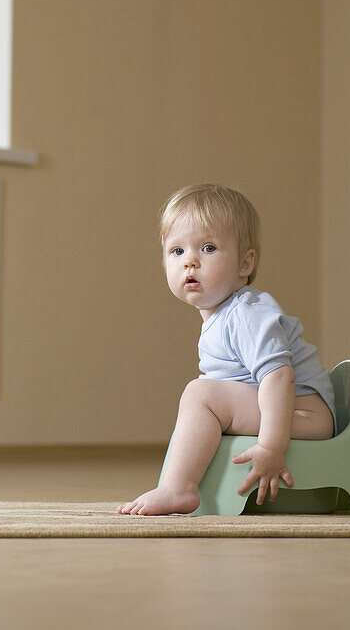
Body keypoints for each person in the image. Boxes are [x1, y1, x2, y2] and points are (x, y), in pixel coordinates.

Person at [119, 184, 335, 516]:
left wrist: (271, 446)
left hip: (305, 413)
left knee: (201, 394)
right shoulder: (221, 316)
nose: (190, 261)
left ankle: (180, 488)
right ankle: (185, 483)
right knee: (205, 396)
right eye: (177, 251)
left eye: (207, 248)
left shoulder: (247, 312)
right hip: (286, 408)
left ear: (245, 263)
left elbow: (279, 378)